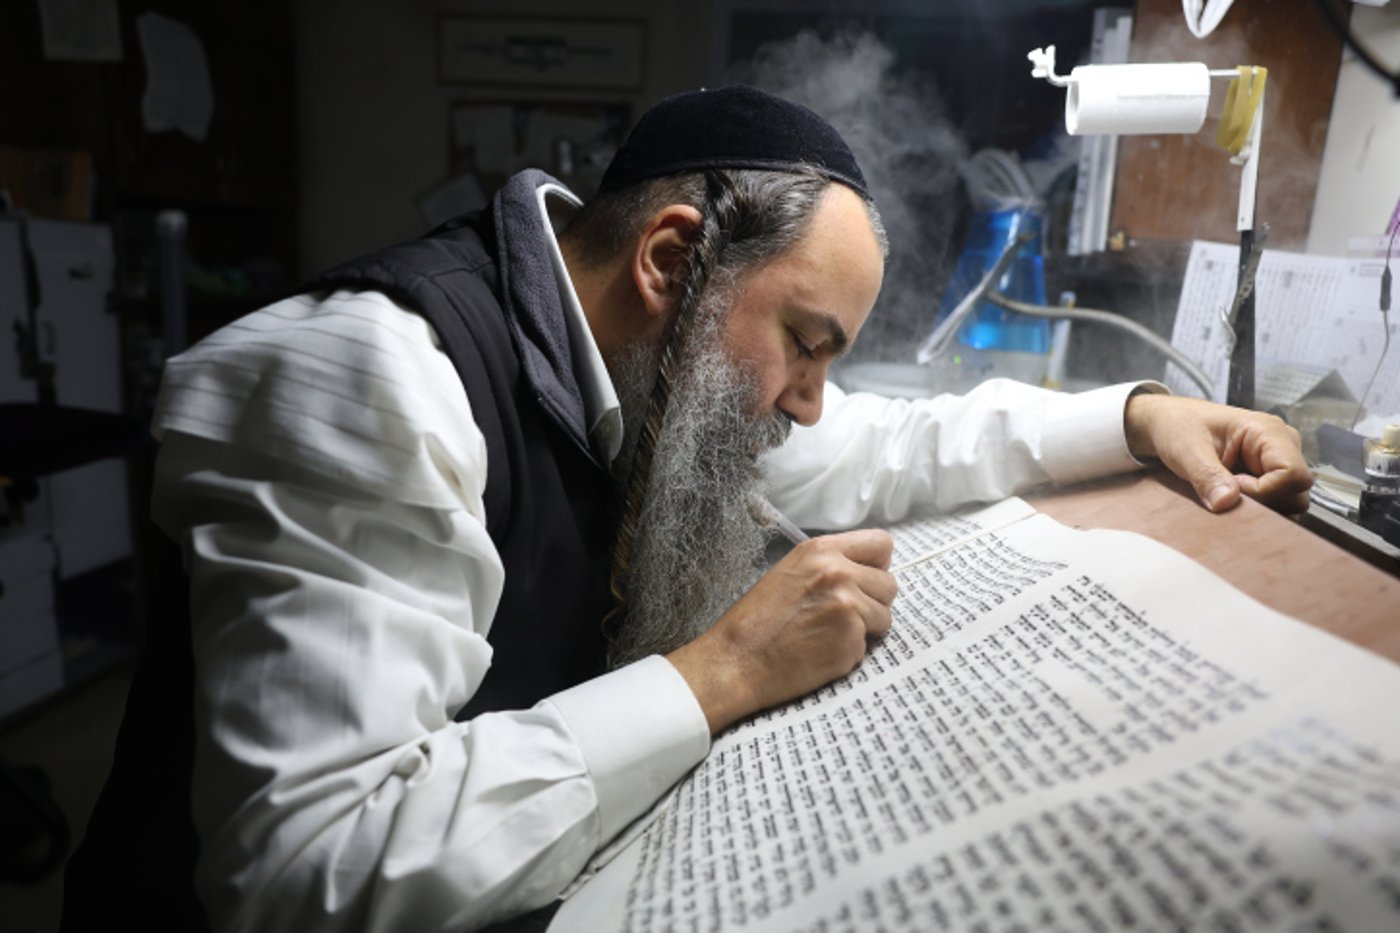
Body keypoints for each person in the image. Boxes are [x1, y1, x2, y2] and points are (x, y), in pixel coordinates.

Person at [65, 86, 1311, 932]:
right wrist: (719, 673)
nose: (811, 404)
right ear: (670, 260)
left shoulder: (660, 373)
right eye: (805, 344)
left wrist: (1138, 415)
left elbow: (890, 446)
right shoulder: (371, 380)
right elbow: (307, 870)